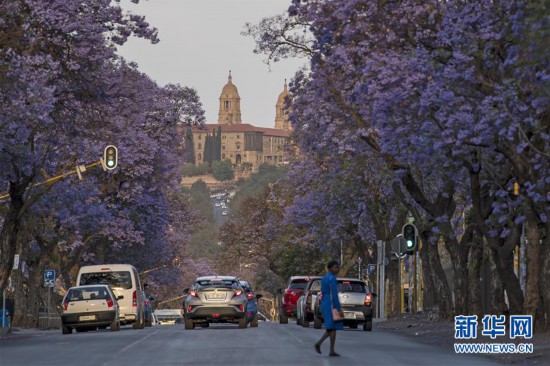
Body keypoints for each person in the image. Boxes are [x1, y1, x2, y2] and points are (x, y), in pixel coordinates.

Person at [314, 259, 343, 357]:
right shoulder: (332, 279)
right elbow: (334, 294)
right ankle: (321, 344)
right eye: (335, 267)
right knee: (332, 327)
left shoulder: (324, 278)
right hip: (331, 305)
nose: (337, 269)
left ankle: (330, 349)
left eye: (338, 267)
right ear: (330, 268)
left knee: (332, 328)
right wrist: (338, 309)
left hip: (326, 304)